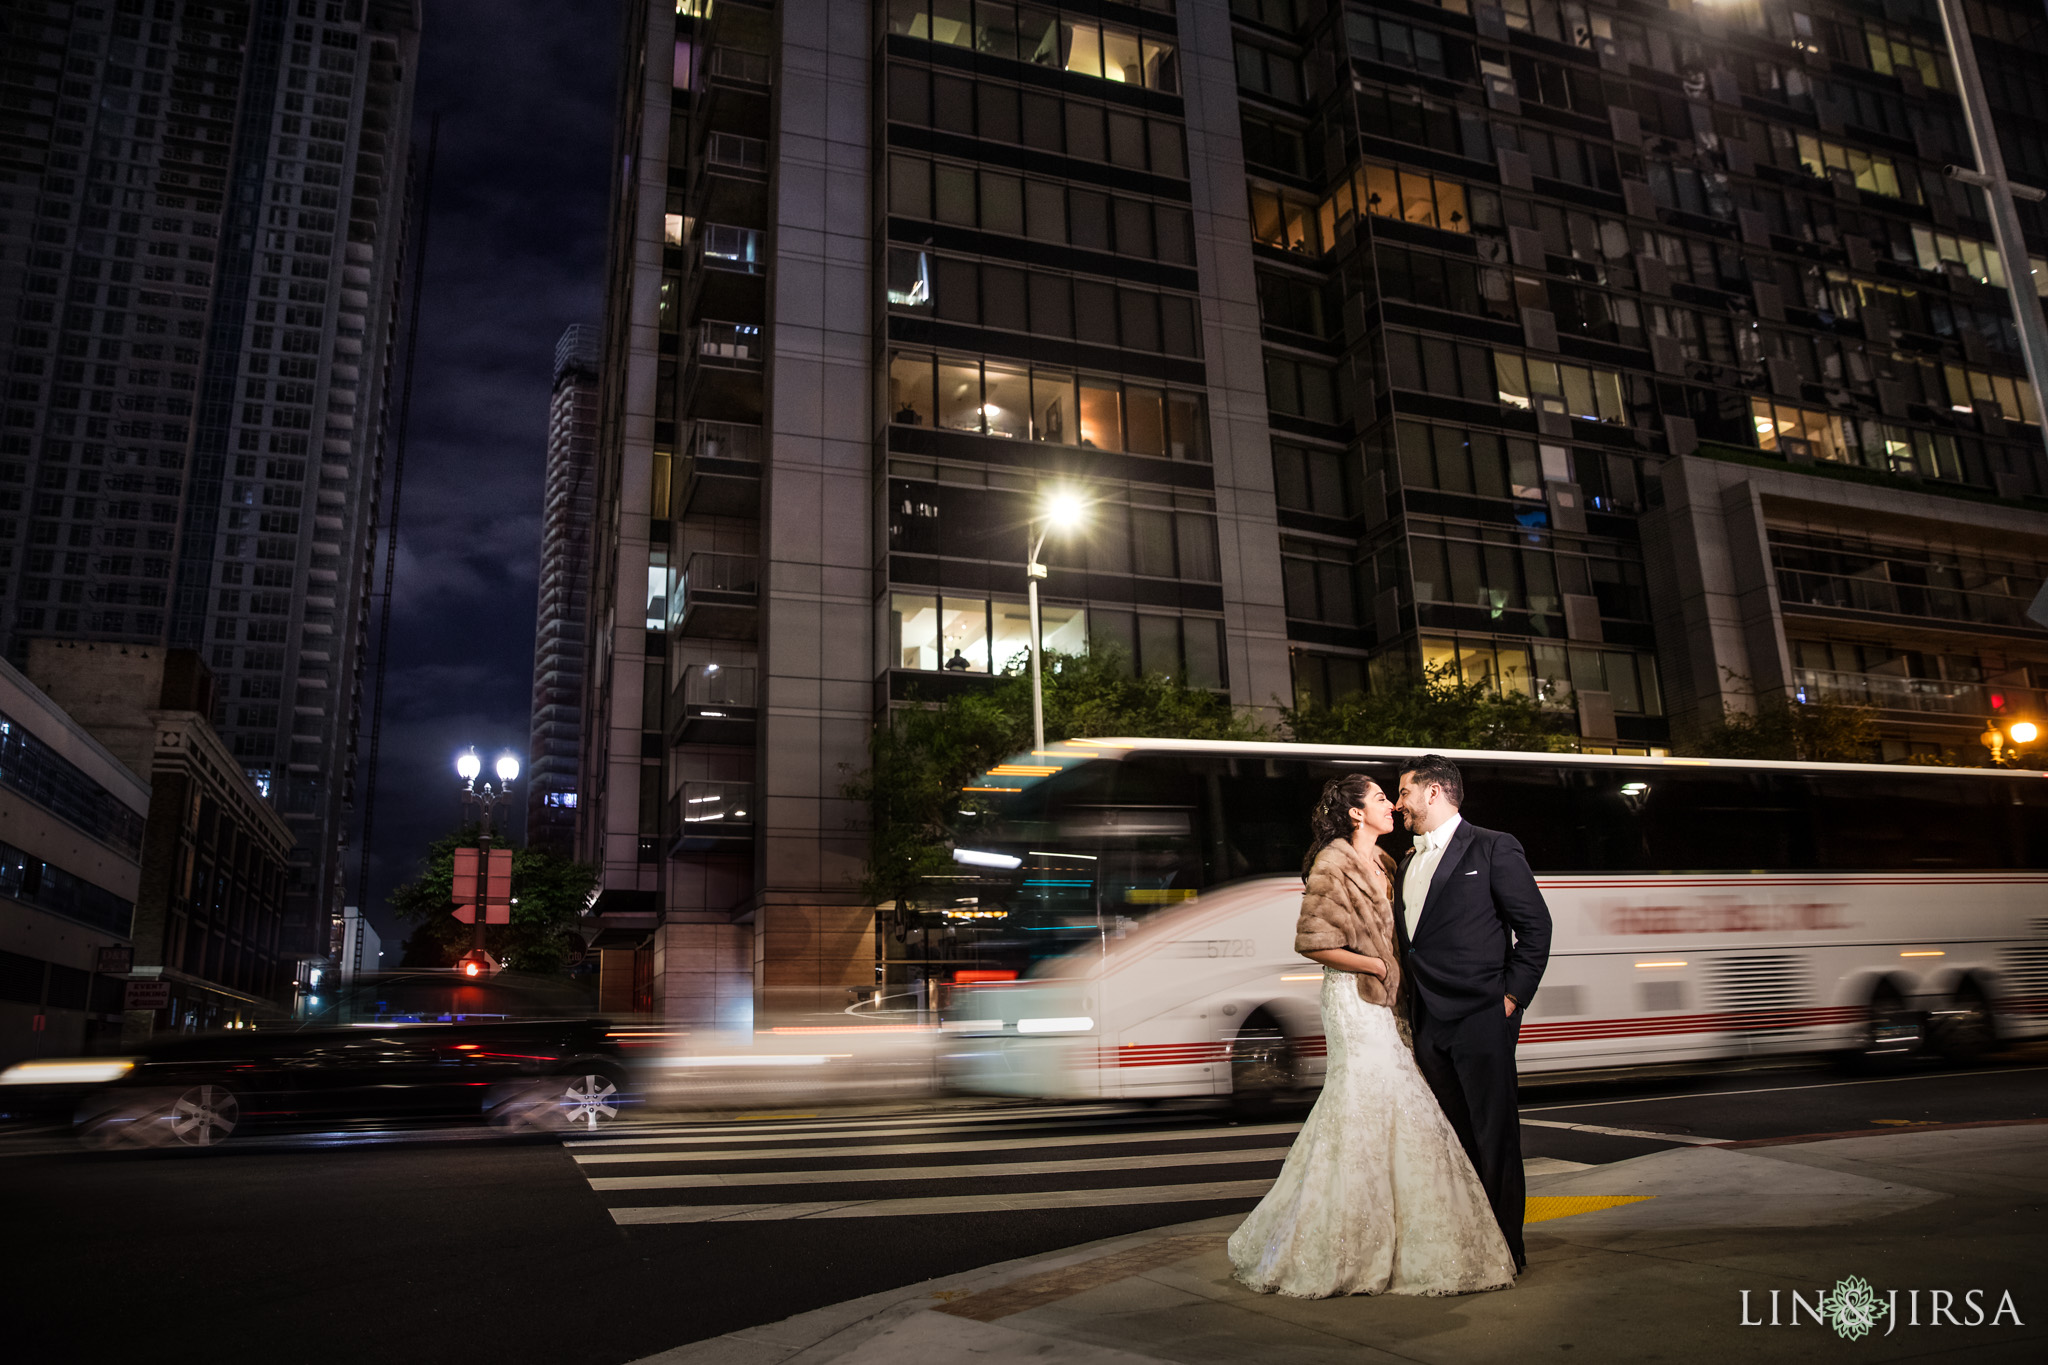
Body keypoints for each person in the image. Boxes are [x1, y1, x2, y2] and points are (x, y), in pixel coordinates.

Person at [1227, 774, 1518, 1299]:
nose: (1393, 805)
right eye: (1383, 798)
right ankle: (1343, 1241)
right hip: (1356, 1003)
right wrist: (1378, 966)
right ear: (1356, 813)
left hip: (1388, 1006)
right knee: (1369, 1103)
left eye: (1394, 796)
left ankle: (1397, 1235)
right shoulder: (1332, 863)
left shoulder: (1390, 863)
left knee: (1390, 1110)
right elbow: (1312, 941)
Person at [1393, 754, 1552, 1274]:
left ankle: (1508, 1251)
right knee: (1454, 1141)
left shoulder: (1492, 846)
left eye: (1405, 793)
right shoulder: (1407, 861)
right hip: (1429, 1022)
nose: (1400, 804)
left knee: (1495, 1136)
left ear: (1434, 792)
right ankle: (1471, 1243)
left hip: (1482, 1015)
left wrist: (1509, 998)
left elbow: (1535, 928)